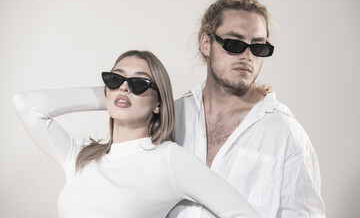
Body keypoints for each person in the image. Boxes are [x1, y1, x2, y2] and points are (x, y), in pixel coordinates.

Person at [13, 50, 261, 218]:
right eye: (115, 78)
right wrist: (112, 95)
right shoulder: (79, 155)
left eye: (139, 83)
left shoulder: (169, 159)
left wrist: (119, 94)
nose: (124, 86)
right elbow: (26, 104)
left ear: (159, 104)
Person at [168, 0, 326, 218]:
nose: (247, 56)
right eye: (234, 43)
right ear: (206, 43)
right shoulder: (172, 117)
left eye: (258, 47)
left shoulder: (284, 133)